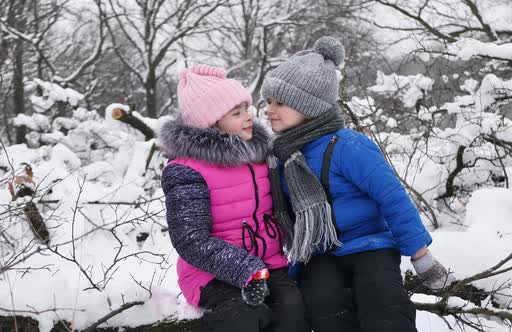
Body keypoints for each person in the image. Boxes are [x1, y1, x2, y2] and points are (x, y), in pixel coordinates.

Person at [261, 37, 455, 332]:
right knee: (322, 305)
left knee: (383, 304)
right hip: (320, 251)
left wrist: (420, 255)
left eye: (281, 102)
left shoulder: (348, 146)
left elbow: (392, 197)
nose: (270, 109)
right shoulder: (280, 156)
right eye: (269, 101)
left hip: (370, 244)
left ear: (309, 105)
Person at [160, 64, 308, 332]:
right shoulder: (186, 170)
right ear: (212, 123)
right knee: (242, 315)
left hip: (268, 266)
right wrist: (245, 270)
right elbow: (190, 239)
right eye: (236, 113)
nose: (248, 116)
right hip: (212, 273)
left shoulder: (261, 157)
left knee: (293, 309)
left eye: (247, 109)